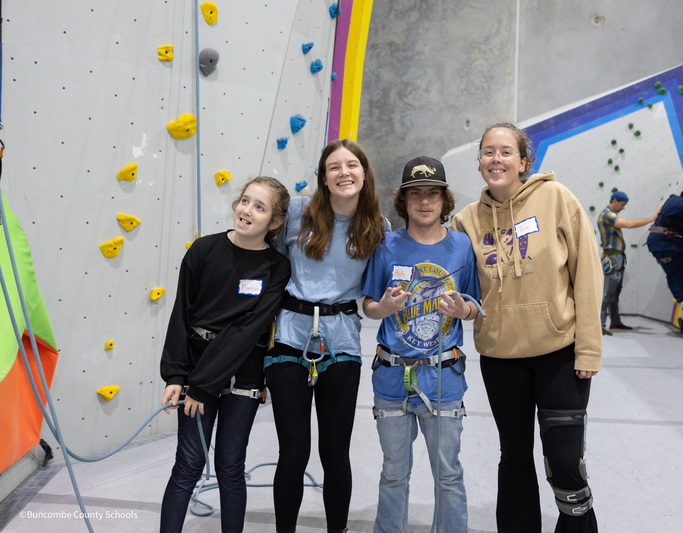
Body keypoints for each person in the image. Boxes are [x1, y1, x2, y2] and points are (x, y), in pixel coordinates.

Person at [450, 122, 603, 533]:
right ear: (480, 162)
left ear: (523, 161)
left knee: (565, 459)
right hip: (501, 357)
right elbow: (462, 288)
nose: (495, 159)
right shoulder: (466, 220)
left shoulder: (555, 198)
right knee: (514, 456)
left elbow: (586, 273)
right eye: (487, 152)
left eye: (504, 152)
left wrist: (589, 347)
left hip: (559, 352)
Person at [264, 139, 389, 533]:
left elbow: (371, 299)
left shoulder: (378, 228)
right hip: (289, 338)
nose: (343, 172)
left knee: (335, 453)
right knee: (293, 452)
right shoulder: (299, 211)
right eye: (333, 167)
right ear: (323, 176)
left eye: (352, 165)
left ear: (364, 173)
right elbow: (268, 263)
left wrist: (384, 308)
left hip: (343, 343)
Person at [159, 176, 292, 533]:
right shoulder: (203, 250)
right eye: (245, 201)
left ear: (275, 222)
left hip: (242, 378)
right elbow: (180, 316)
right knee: (187, 465)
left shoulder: (277, 268)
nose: (246, 210)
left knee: (231, 466)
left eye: (259, 207)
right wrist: (176, 376)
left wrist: (201, 385)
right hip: (196, 373)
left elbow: (247, 331)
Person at [363, 156, 480, 533]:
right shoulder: (387, 245)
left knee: (448, 475)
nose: (424, 201)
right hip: (392, 380)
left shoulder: (462, 247)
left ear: (445, 201)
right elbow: (369, 304)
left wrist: (464, 309)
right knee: (394, 473)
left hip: (443, 380)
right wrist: (383, 307)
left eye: (433, 194)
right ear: (403, 200)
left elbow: (475, 305)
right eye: (416, 194)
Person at [596, 190, 659, 335]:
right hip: (612, 258)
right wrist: (652, 218)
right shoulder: (607, 215)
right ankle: (600, 326)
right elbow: (628, 224)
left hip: (616, 258)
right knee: (607, 293)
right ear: (615, 201)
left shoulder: (608, 215)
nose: (623, 208)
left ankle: (615, 322)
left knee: (614, 293)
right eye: (623, 204)